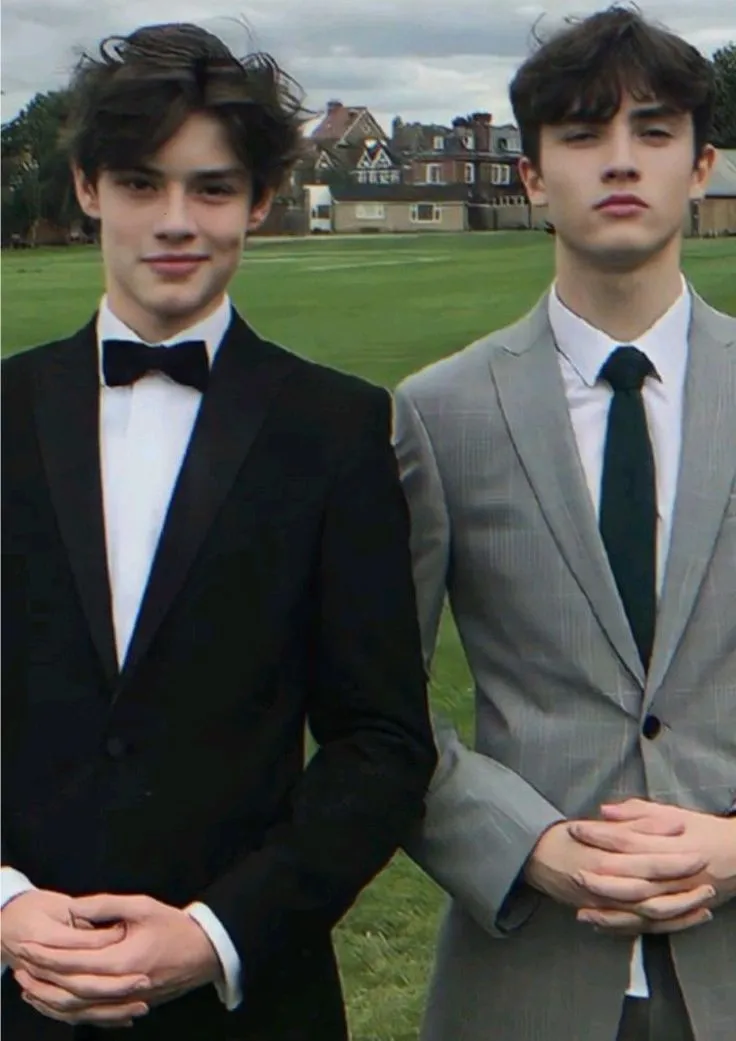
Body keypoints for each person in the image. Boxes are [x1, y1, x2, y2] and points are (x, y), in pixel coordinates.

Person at [1, 22, 436, 1041]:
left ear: (260, 200)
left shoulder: (335, 428)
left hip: (248, 1004)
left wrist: (216, 932)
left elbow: (379, 742)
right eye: (143, 184)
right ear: (88, 189)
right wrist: (9, 906)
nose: (174, 221)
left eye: (210, 188)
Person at [394, 6, 736, 1041]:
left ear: (703, 165)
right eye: (582, 136)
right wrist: (525, 844)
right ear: (533, 178)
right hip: (530, 974)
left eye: (653, 131)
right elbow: (380, 708)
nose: (619, 161)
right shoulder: (437, 410)